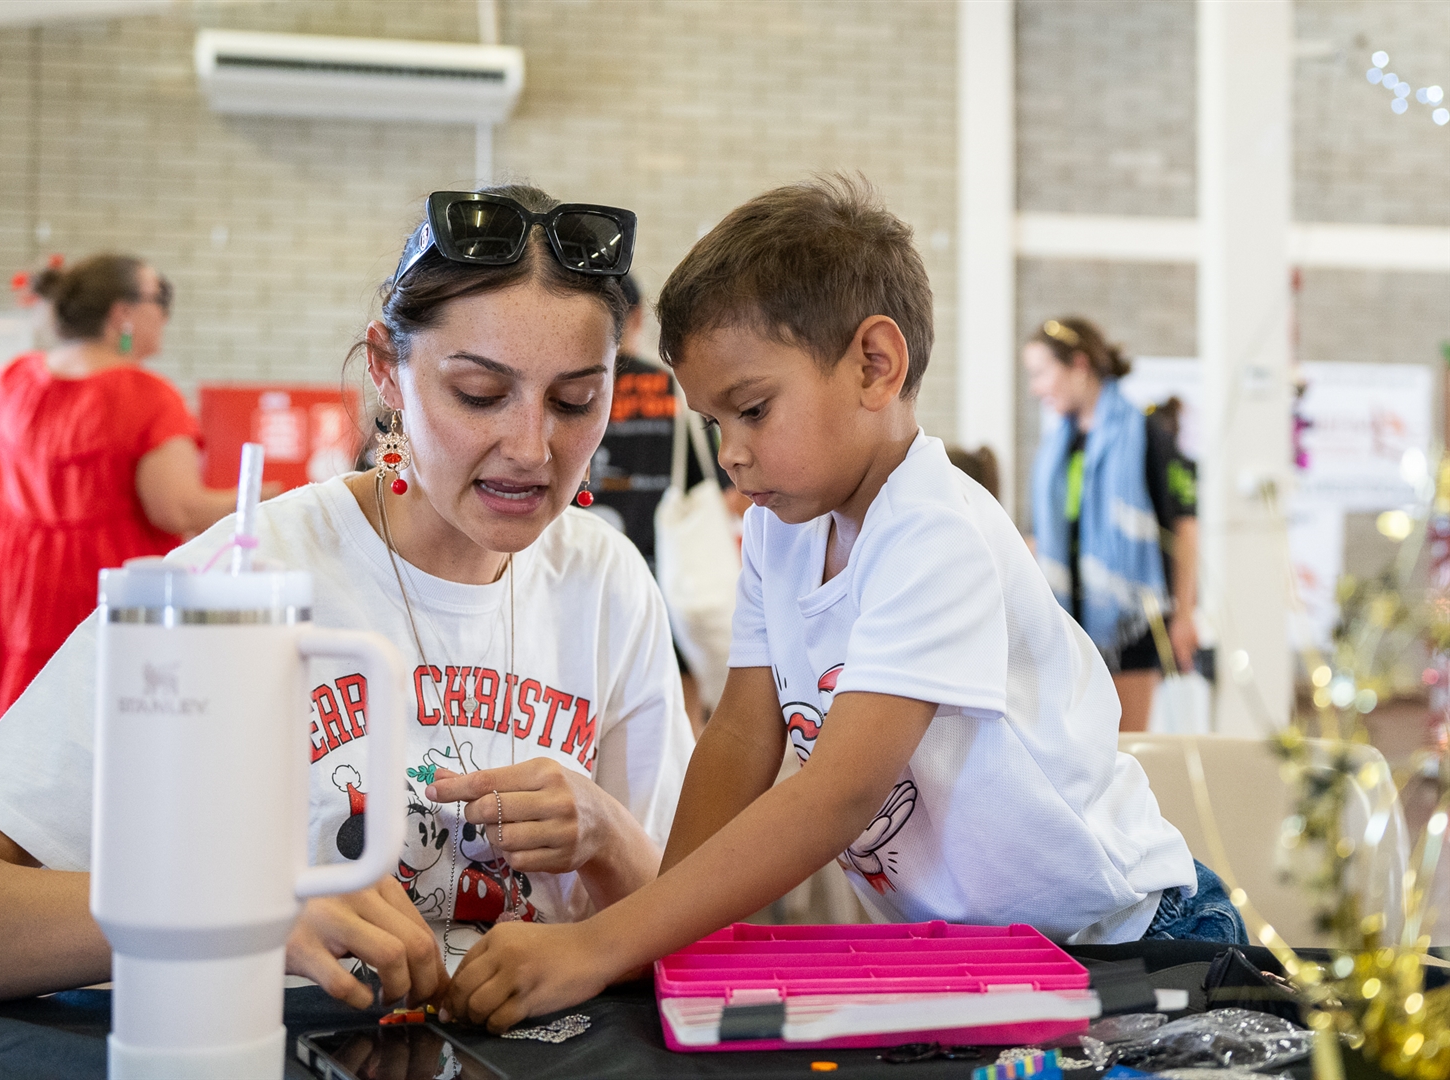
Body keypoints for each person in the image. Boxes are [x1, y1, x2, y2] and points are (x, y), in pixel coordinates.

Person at [0, 185, 693, 1013]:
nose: (532, 447)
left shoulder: (608, 583)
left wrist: (607, 835)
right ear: (388, 372)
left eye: (576, 400)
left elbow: (689, 930)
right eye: (480, 394)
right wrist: (238, 908)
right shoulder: (236, 581)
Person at [440, 176, 1243, 1033]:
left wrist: (603, 944)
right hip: (984, 958)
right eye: (714, 424)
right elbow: (741, 737)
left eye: (753, 410)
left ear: (874, 365)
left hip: (1128, 939)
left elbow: (838, 793)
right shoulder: (782, 529)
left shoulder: (933, 531)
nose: (731, 454)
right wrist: (657, 940)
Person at [0, 255, 263, 829]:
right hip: (93, 597)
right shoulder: (148, 397)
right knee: (91, 769)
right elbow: (175, 507)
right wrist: (274, 496)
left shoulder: (13, 381)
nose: (166, 315)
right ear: (122, 314)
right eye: (161, 299)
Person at [1023, 317, 1200, 732]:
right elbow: (1039, 537)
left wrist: (1184, 615)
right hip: (1067, 626)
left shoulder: (1146, 435)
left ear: (1079, 365)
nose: (1035, 388)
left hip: (1130, 624)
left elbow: (1185, 529)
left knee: (1124, 749)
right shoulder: (1056, 448)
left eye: (1042, 372)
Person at [587, 274, 737, 735]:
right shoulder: (670, 390)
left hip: (584, 576)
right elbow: (721, 489)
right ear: (634, 318)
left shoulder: (569, 391)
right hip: (663, 578)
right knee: (676, 708)